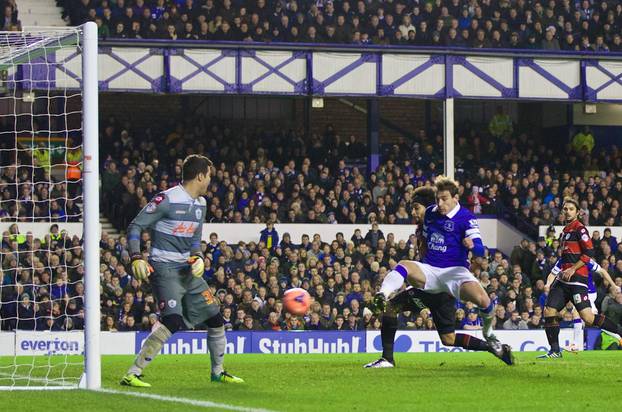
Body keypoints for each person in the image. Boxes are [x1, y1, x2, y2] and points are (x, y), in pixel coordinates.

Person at [120, 155, 243, 387]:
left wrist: (198, 256)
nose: (210, 181)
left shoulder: (201, 204)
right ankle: (132, 372)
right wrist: (136, 257)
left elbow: (195, 240)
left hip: (187, 271)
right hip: (164, 268)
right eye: (208, 176)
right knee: (173, 321)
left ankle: (218, 372)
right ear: (199, 176)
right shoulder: (166, 199)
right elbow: (135, 226)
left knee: (215, 318)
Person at [366, 181, 513, 367]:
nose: (413, 213)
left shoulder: (460, 217)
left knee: (448, 338)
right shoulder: (427, 222)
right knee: (395, 309)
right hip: (429, 282)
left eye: (416, 208)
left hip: (445, 287)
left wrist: (473, 249)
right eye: (438, 200)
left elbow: (477, 249)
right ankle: (387, 358)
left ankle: (492, 344)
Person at [539, 198, 622, 359]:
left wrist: (573, 268)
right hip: (563, 282)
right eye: (565, 209)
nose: (567, 211)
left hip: (578, 281)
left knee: (588, 318)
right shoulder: (564, 231)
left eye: (571, 209)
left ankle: (620, 331)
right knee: (549, 311)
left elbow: (589, 252)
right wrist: (552, 279)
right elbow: (565, 257)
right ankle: (555, 350)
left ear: (577, 212)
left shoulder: (580, 229)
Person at [551, 257, 622, 352]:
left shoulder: (585, 260)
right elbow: (554, 274)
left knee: (576, 313)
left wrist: (614, 285)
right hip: (577, 292)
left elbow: (603, 272)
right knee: (592, 321)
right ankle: (619, 336)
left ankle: (575, 344)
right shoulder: (564, 260)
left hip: (588, 292)